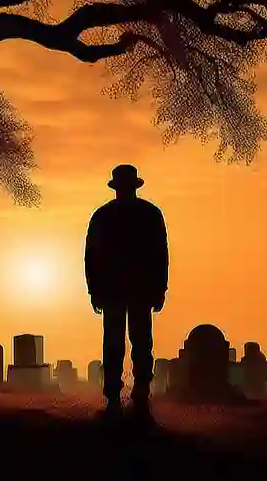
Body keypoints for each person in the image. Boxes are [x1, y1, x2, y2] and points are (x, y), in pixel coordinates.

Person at [84, 164, 168, 416]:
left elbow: (91, 257)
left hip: (113, 290)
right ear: (134, 186)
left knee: (115, 343)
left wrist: (94, 290)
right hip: (139, 289)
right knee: (140, 341)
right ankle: (139, 393)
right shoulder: (150, 214)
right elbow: (160, 255)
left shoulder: (102, 216)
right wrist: (160, 288)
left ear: (116, 187)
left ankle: (115, 396)